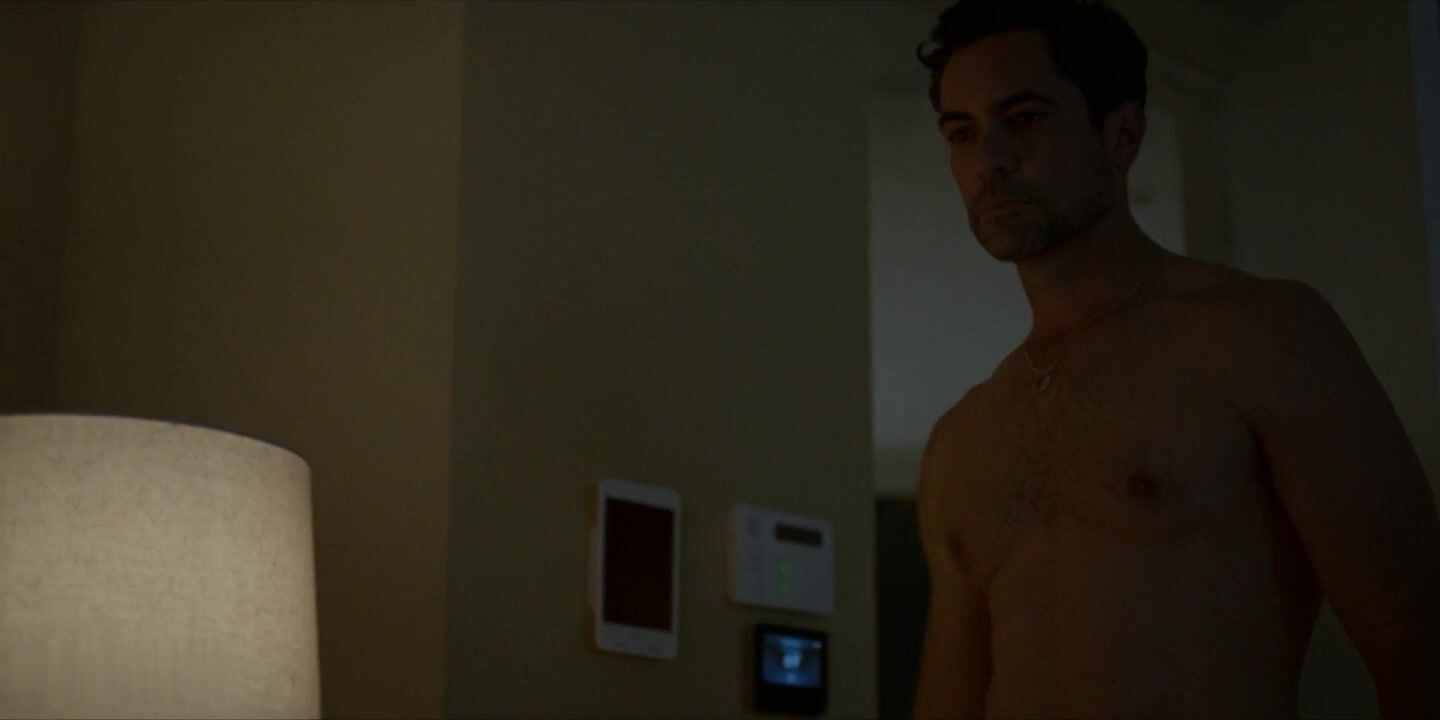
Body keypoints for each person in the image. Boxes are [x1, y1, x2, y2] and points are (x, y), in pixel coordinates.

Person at [909, 1, 1440, 718]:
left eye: (1025, 118)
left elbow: (1420, 651)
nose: (990, 159)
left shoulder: (1261, 335)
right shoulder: (961, 439)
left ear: (1122, 133)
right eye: (962, 132)